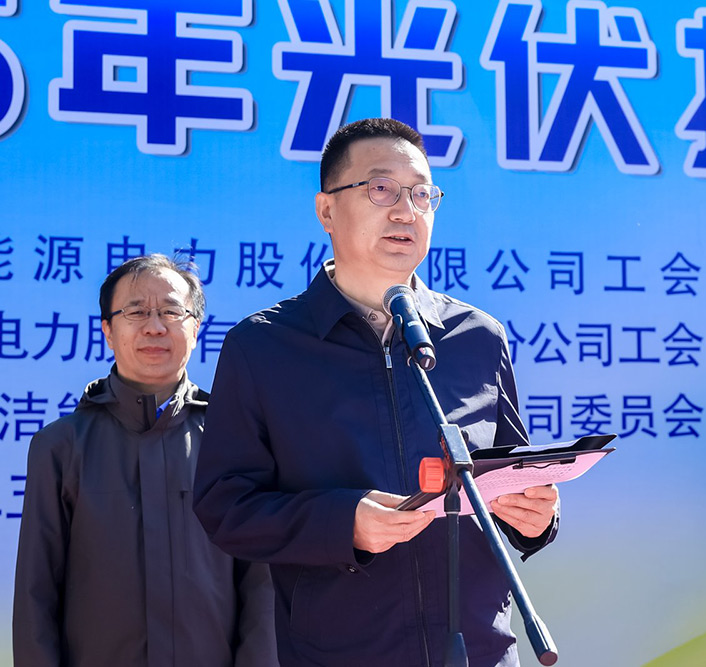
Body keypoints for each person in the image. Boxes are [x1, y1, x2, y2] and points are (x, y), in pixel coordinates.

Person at [193, 117, 559, 667]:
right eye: (381, 188)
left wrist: (535, 518)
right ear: (326, 210)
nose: (406, 211)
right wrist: (344, 522)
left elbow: (509, 473)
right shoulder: (263, 346)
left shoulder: (476, 337)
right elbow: (225, 507)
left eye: (422, 194)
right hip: (340, 653)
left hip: (479, 651)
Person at [12, 254, 278, 667]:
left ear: (196, 329)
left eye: (171, 311)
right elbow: (36, 597)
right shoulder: (60, 446)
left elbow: (262, 591)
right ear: (108, 330)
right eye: (136, 312)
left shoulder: (237, 443)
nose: (155, 327)